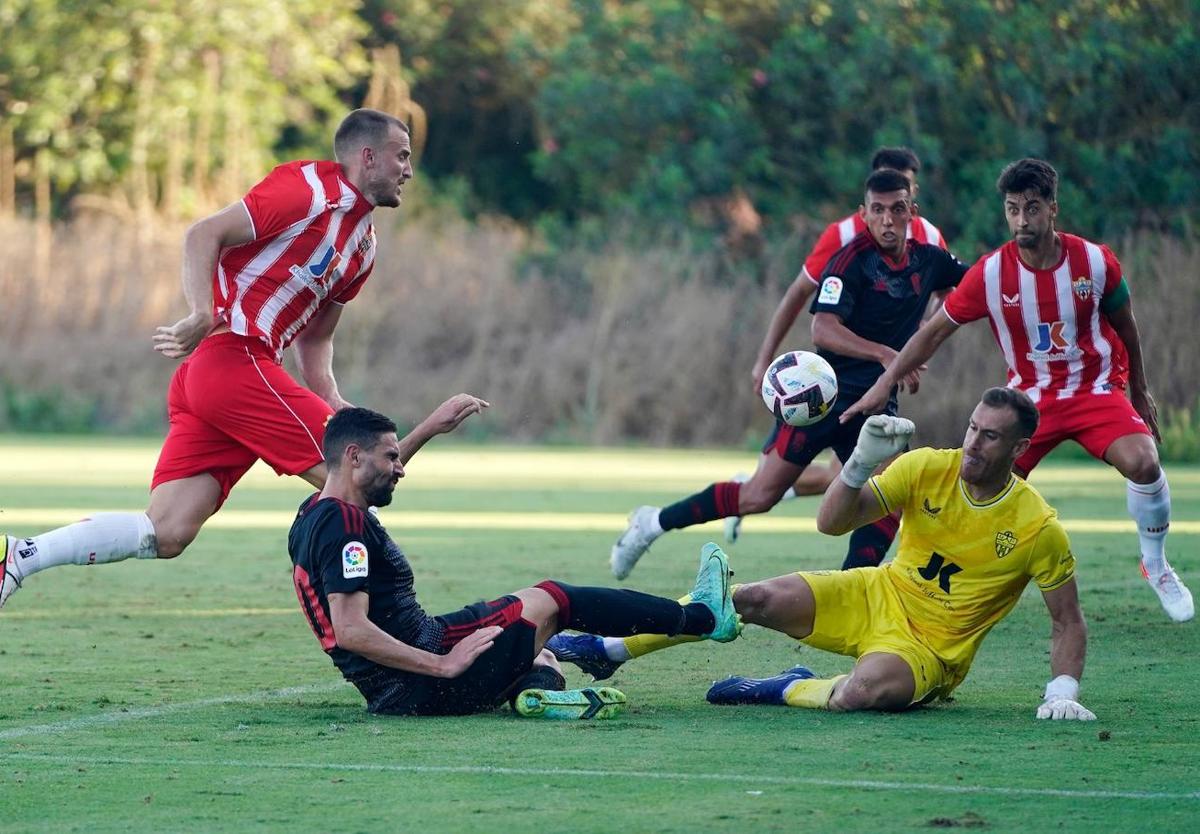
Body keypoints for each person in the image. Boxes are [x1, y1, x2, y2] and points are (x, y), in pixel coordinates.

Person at [0, 109, 429, 608]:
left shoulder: (363, 246)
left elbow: (316, 340)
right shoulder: (307, 189)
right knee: (354, 479)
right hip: (232, 358)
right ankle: (393, 634)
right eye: (402, 156)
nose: (409, 170)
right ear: (368, 156)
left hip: (221, 380)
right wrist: (202, 312)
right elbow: (203, 233)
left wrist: (332, 398)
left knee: (166, 531)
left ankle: (19, 557)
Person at [554, 389, 1097, 721]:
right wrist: (858, 465)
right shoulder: (928, 465)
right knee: (748, 597)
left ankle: (779, 687)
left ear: (1020, 449)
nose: (973, 445)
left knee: (863, 693)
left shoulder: (1037, 527)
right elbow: (831, 523)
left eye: (991, 438)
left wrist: (1062, 691)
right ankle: (608, 648)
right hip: (875, 592)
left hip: (931, 650)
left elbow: (1066, 622)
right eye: (972, 428)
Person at [844, 158, 1193, 623]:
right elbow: (932, 333)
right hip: (1030, 399)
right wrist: (883, 383)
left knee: (1145, 461)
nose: (1021, 221)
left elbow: (1126, 323)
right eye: (1012, 210)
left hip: (1096, 389)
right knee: (975, 485)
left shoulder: (1095, 261)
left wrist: (1140, 390)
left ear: (1053, 209)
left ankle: (1156, 564)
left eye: (1031, 209)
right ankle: (933, 583)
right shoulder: (990, 275)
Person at [610, 167, 968, 581]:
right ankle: (653, 522)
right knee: (759, 496)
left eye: (897, 209)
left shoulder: (931, 260)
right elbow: (823, 329)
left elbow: (976, 284)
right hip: (821, 401)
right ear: (864, 213)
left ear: (912, 212)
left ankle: (853, 589)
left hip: (875, 405)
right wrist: (889, 355)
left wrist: (931, 332)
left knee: (888, 496)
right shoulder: (850, 261)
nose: (888, 219)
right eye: (878, 210)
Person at [289, 406, 741, 718]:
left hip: (397, 681)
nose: (400, 466)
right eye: (391, 456)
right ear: (353, 457)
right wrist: (443, 665)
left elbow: (369, 483)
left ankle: (535, 696)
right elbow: (350, 628)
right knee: (553, 600)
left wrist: (428, 427)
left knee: (539, 647)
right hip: (420, 676)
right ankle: (702, 616)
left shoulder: (315, 512)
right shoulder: (343, 523)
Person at [725, 147, 950, 545]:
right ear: (866, 203)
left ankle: (762, 492)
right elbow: (799, 297)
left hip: (886, 374)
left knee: (859, 476)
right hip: (837, 371)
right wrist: (764, 360)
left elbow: (953, 294)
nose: (889, 214)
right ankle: (756, 492)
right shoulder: (844, 238)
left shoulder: (929, 239)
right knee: (863, 477)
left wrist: (920, 340)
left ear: (911, 198)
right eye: (878, 203)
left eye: (902, 195)